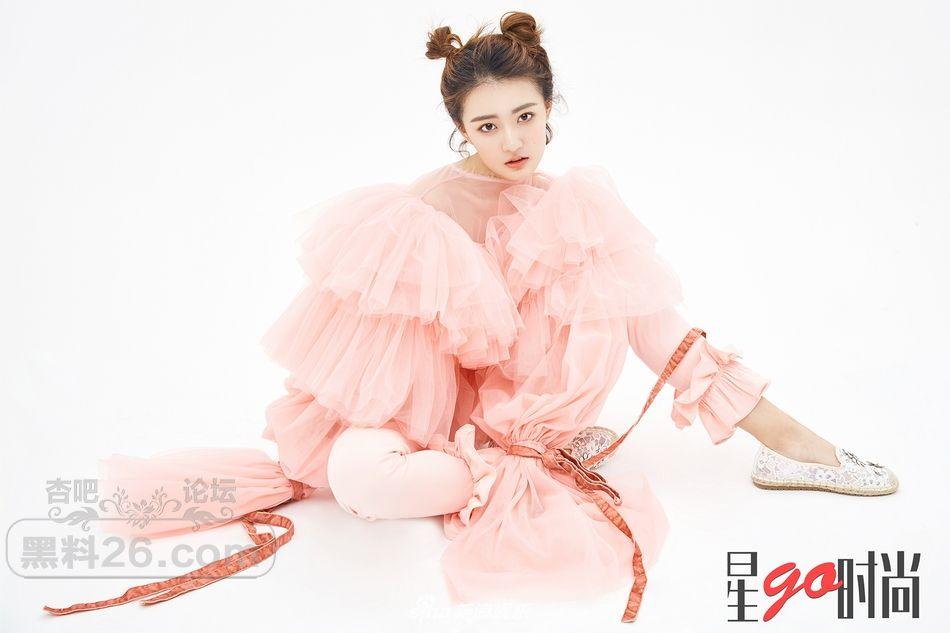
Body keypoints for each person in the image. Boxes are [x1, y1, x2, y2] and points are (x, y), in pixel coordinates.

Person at [43, 10, 898, 623]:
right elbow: (376, 339)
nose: (512, 140)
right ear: (461, 130)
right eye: (488, 125)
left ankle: (781, 444)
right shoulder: (425, 207)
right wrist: (383, 423)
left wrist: (788, 432)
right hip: (432, 411)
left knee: (617, 296)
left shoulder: (576, 211)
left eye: (526, 117)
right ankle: (499, 464)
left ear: (550, 111)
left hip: (518, 411)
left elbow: (660, 331)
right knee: (355, 477)